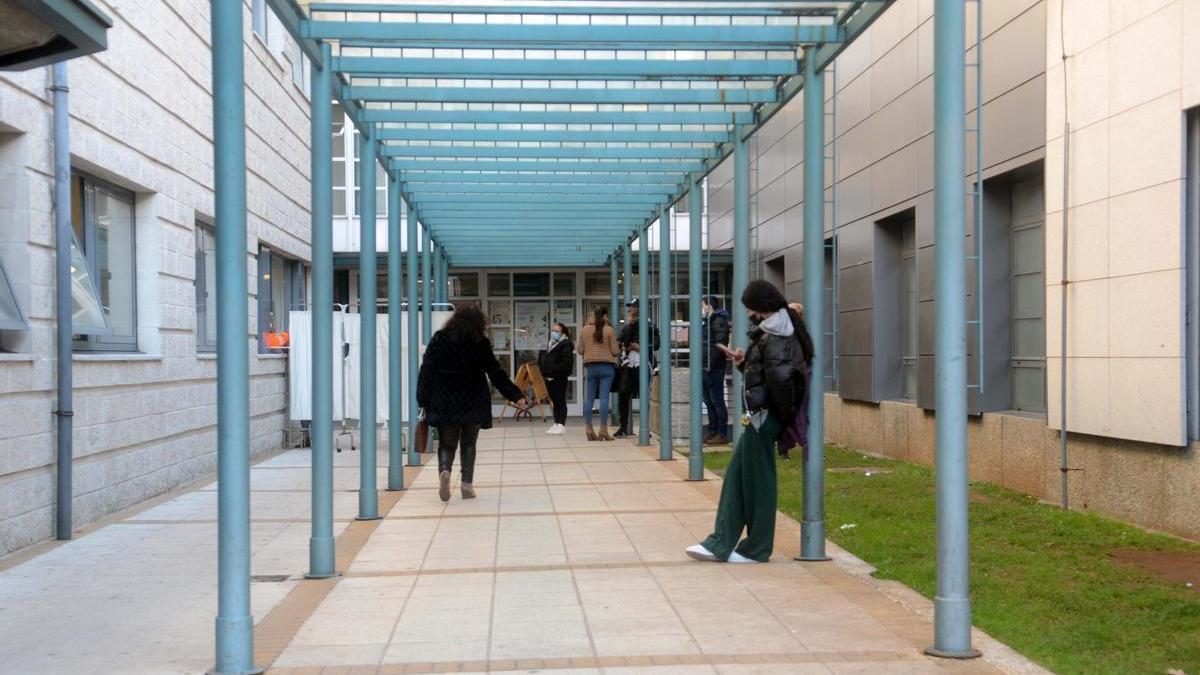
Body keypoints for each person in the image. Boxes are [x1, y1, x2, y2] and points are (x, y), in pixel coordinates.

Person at [685, 280, 814, 563]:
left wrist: (773, 417)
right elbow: (772, 375)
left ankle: (754, 548)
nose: (746, 313)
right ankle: (722, 543)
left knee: (756, 482)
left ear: (760, 307)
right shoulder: (776, 330)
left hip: (762, 418)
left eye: (748, 307)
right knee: (739, 478)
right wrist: (744, 363)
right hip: (762, 417)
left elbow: (781, 382)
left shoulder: (777, 334)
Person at [417, 303, 526, 502]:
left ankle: (445, 471)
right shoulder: (480, 342)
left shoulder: (439, 339)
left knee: (447, 443)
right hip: (473, 398)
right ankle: (466, 484)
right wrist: (515, 395)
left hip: (445, 398)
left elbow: (427, 370)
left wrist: (422, 398)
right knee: (469, 443)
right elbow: (495, 372)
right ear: (479, 322)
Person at [614, 299, 661, 438]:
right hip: (628, 364)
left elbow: (657, 345)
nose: (630, 309)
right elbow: (620, 341)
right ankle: (623, 427)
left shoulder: (650, 325)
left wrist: (640, 347)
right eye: (630, 307)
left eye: (633, 307)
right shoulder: (628, 326)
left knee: (644, 396)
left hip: (643, 363)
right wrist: (625, 346)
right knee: (623, 396)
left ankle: (645, 428)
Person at [577, 306, 620, 441]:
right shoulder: (609, 330)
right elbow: (615, 351)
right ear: (605, 316)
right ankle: (603, 429)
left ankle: (589, 428)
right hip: (607, 367)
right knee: (604, 398)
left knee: (589, 399)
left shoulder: (584, 330)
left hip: (590, 367)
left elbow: (579, 350)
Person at [700, 296, 732, 445]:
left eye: (703, 305)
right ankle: (712, 431)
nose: (702, 309)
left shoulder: (718, 320)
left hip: (713, 368)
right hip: (705, 366)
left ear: (709, 306)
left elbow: (719, 344)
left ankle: (721, 433)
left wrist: (709, 365)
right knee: (708, 401)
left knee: (717, 400)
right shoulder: (708, 321)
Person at [539, 322, 574, 435]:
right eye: (553, 330)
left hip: (559, 377)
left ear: (562, 333)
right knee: (554, 401)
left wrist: (552, 369)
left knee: (560, 401)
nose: (554, 333)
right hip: (549, 377)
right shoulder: (551, 343)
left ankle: (561, 424)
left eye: (557, 331)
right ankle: (556, 422)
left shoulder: (566, 344)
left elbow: (567, 362)